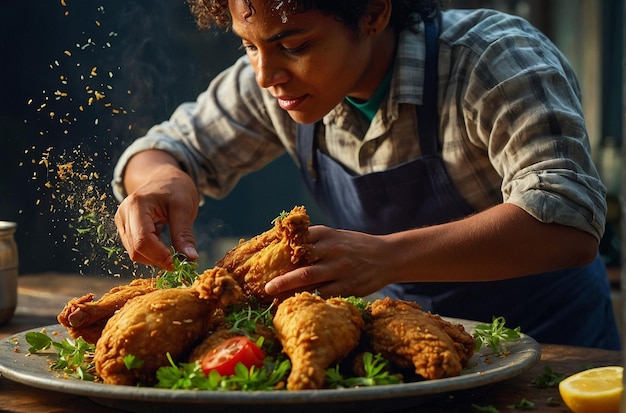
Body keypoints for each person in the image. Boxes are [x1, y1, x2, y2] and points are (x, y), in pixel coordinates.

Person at [112, 0, 620, 350]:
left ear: (375, 12)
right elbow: (163, 150)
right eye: (248, 45)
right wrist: (161, 180)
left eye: (294, 44)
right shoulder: (271, 81)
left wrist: (387, 257)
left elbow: (569, 219)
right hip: (408, 345)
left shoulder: (490, 61)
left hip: (553, 343)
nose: (265, 75)